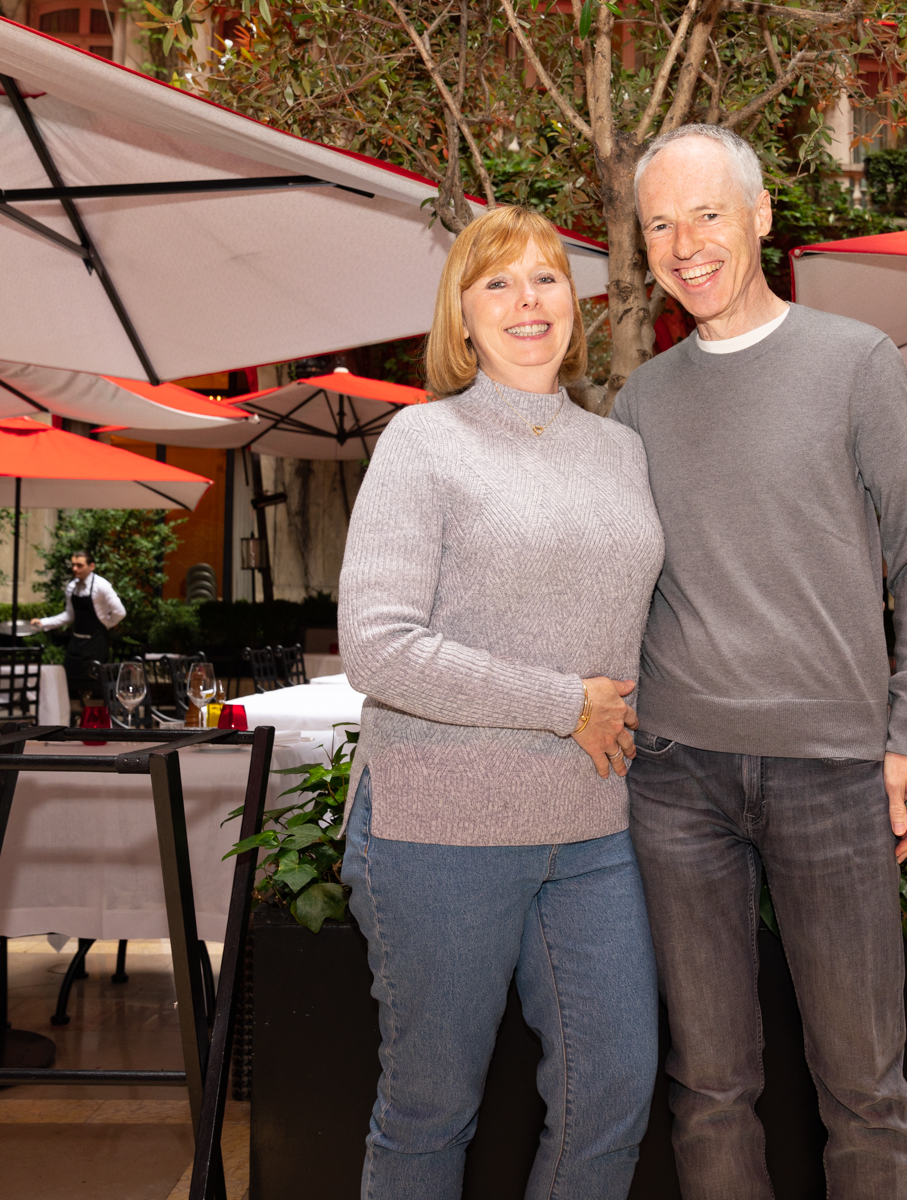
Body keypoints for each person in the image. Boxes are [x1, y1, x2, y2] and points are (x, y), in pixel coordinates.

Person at [612, 124, 907, 1198]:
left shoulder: (855, 362)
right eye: (660, 225)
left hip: (833, 773)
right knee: (709, 1086)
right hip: (676, 779)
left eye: (707, 214)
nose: (685, 245)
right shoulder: (639, 401)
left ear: (761, 216)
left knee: (866, 1088)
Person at [337, 205, 666, 1200]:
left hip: (593, 826)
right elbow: (378, 647)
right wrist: (564, 702)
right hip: (440, 828)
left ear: (576, 303)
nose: (528, 300)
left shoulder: (619, 450)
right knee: (432, 1110)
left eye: (547, 278)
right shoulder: (422, 441)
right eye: (499, 282)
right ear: (464, 316)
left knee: (614, 1093)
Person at [31, 551, 125, 700]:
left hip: (95, 643)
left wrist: (106, 624)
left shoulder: (101, 586)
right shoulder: (72, 586)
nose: (75, 568)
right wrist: (44, 622)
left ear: (91, 566)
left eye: (79, 565)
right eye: (73, 565)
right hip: (76, 643)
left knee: (95, 685)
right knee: (70, 682)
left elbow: (120, 612)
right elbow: (69, 615)